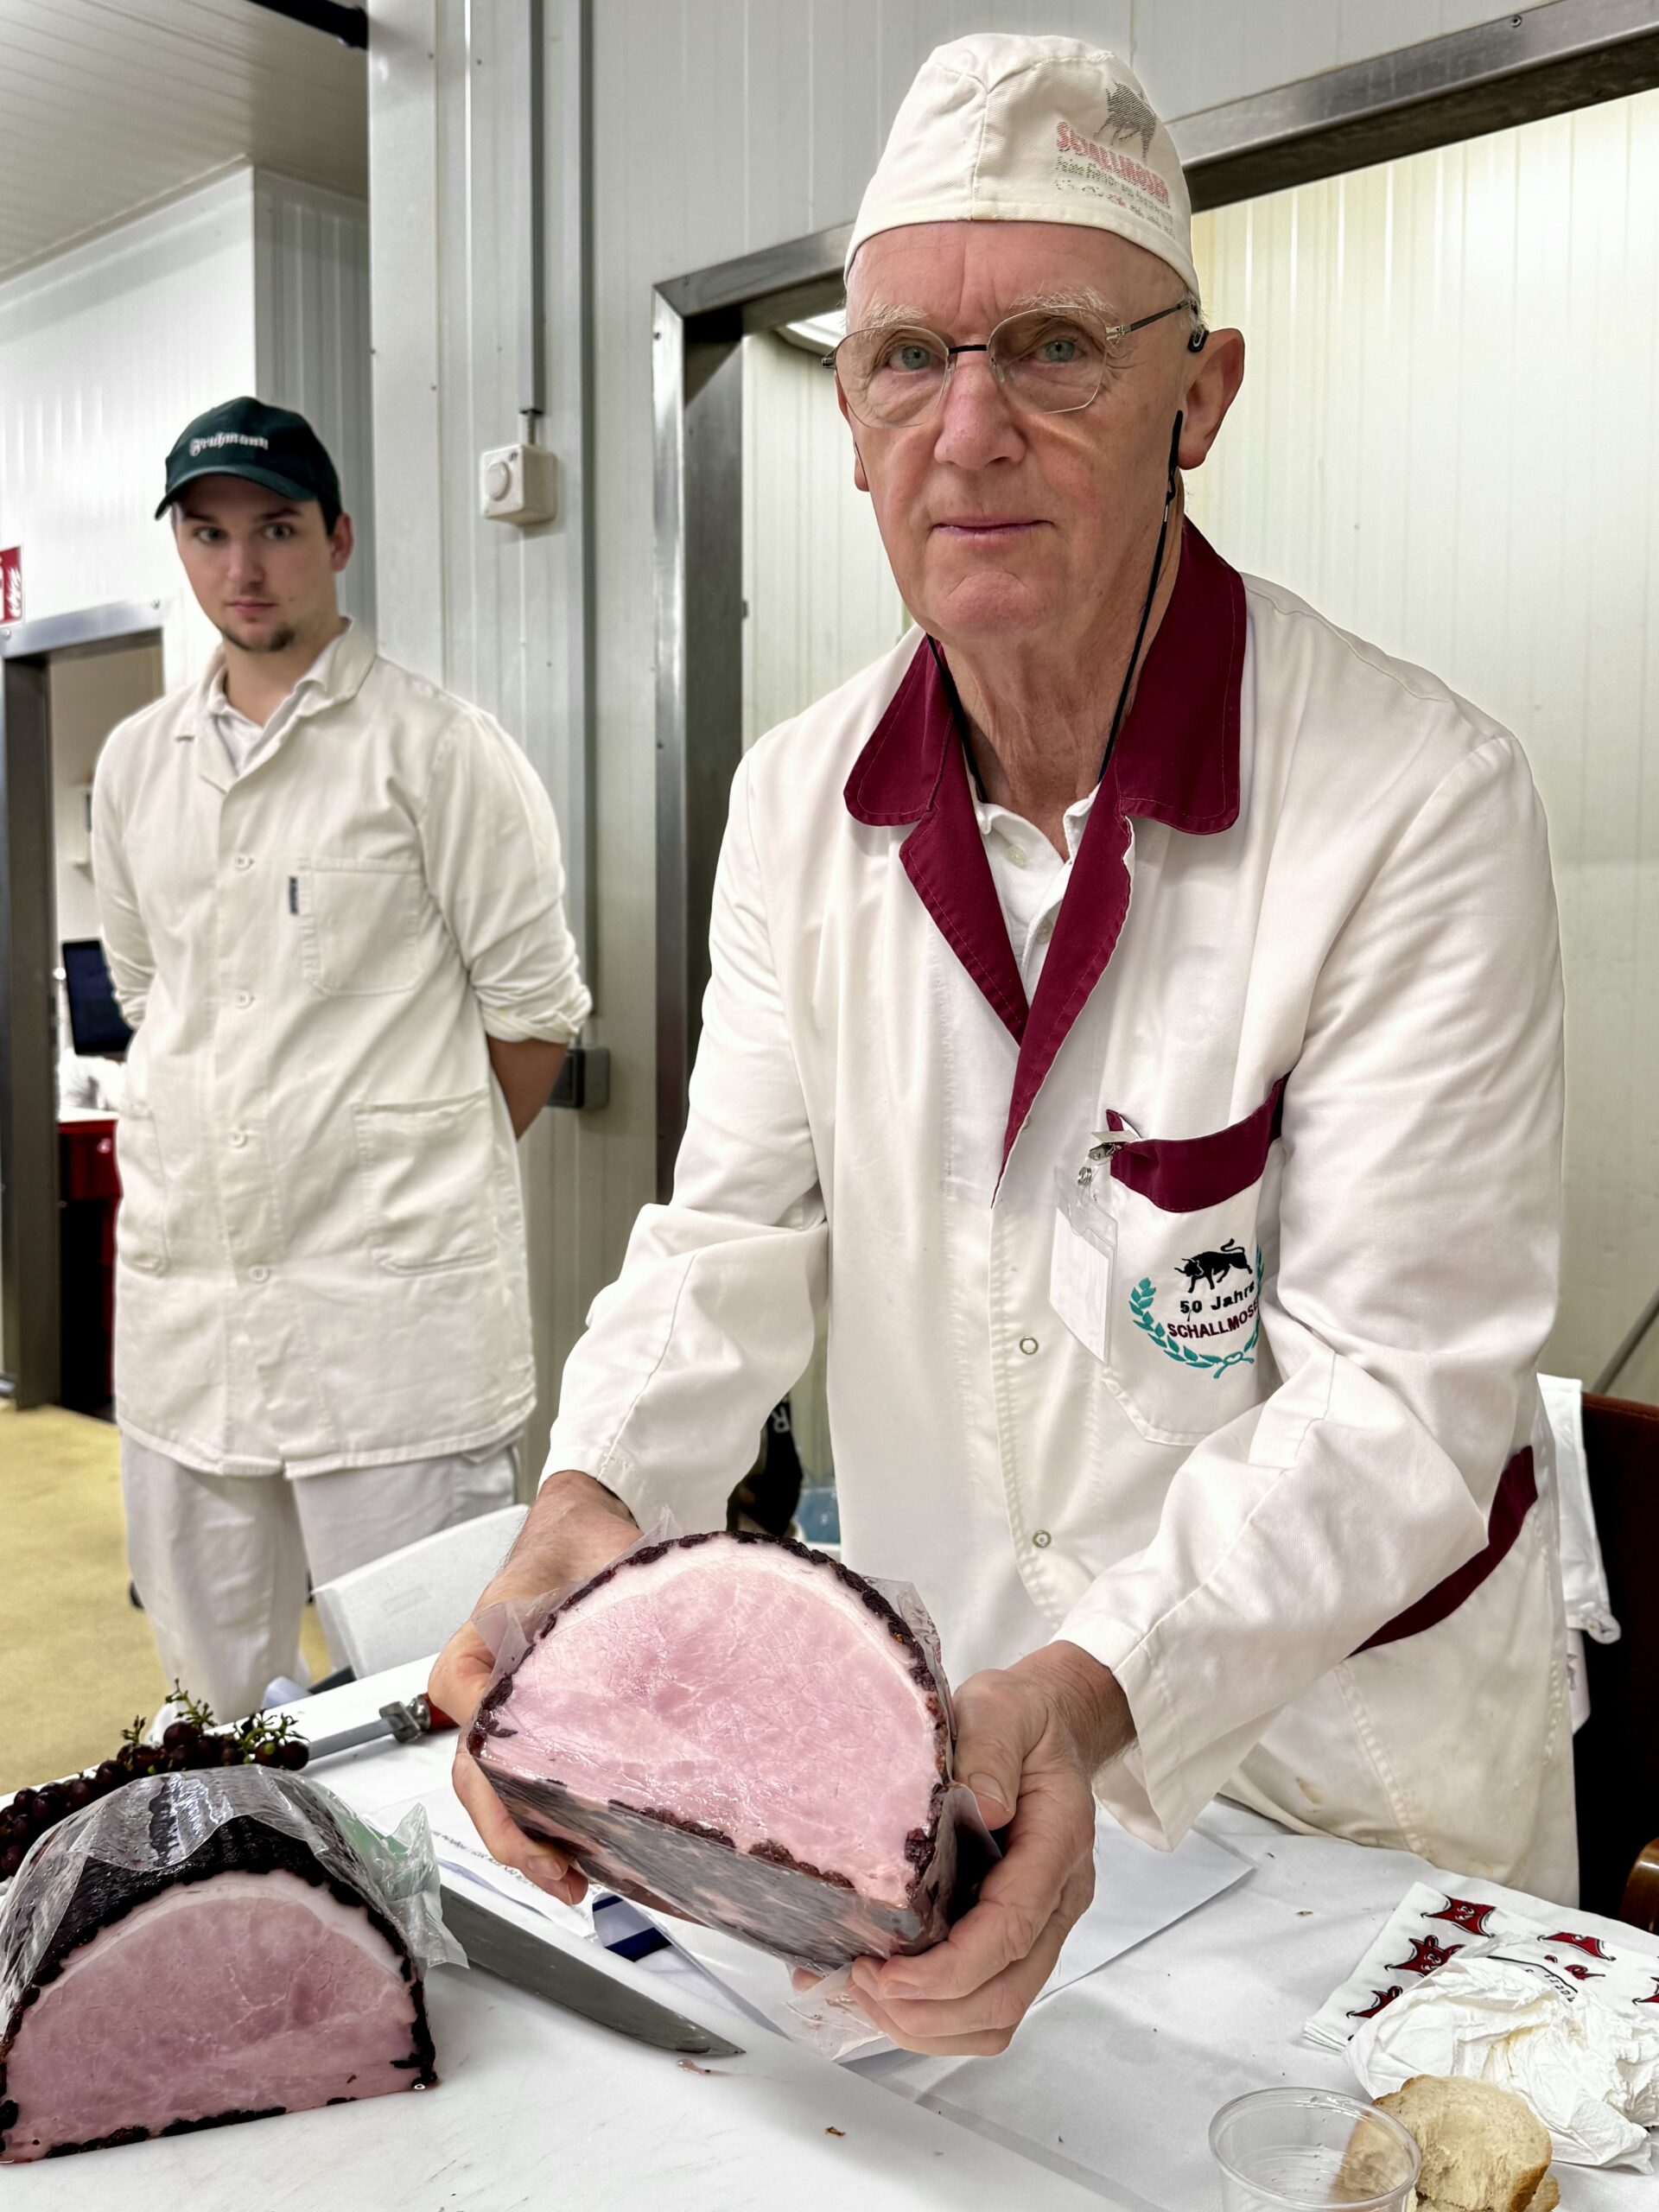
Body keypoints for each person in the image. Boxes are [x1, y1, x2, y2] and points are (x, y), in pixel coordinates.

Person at [435, 35, 1571, 2056]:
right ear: (851, 412)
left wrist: (1088, 1678)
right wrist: (589, 1496)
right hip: (960, 1773)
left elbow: (1406, 1394)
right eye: (900, 361)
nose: (969, 431)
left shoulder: (1414, 796)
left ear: (1197, 400)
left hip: (1348, 1783)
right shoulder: (801, 801)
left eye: (1054, 347)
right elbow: (732, 1237)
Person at [92, 397, 591, 1722]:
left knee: (431, 1712)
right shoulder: (137, 765)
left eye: (276, 530)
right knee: (214, 1712)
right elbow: (155, 999)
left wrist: (393, 1175)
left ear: (338, 539)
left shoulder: (436, 752)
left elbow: (536, 1014)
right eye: (208, 535)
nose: (242, 569)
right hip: (192, 1330)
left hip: (394, 1345)